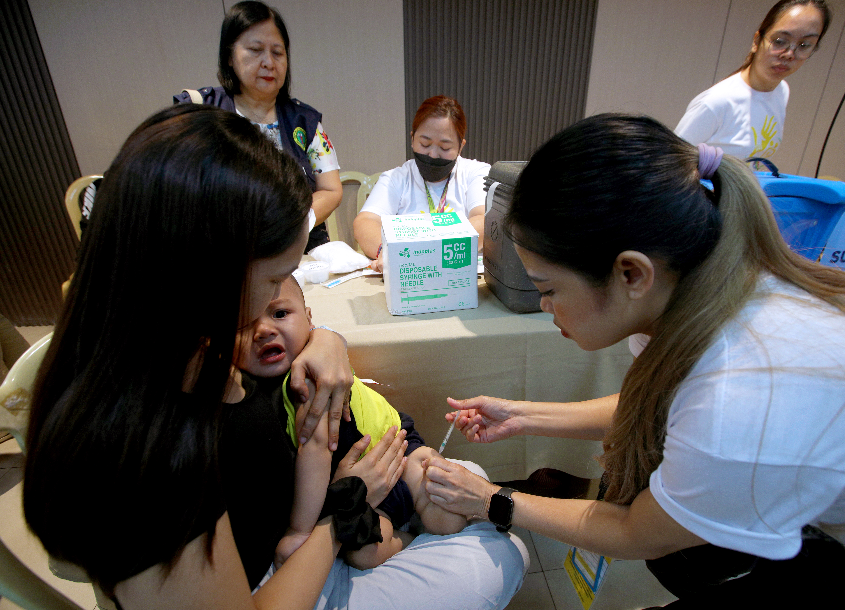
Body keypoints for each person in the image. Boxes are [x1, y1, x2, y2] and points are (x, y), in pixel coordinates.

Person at [23, 104, 527, 610]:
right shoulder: (142, 454)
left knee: (467, 484)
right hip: (281, 576)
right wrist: (340, 513)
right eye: (273, 279)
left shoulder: (178, 343)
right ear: (206, 270)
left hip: (299, 528)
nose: (270, 309)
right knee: (500, 553)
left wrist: (325, 339)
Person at [423, 113, 845, 607]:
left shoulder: (742, 392)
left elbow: (640, 531)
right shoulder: (698, 289)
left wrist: (490, 500)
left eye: (548, 288)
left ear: (632, 275)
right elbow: (659, 404)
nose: (545, 306)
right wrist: (522, 416)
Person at [235, 277, 468, 570]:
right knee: (363, 554)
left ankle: (429, 496)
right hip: (360, 494)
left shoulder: (309, 378)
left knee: (446, 518)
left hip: (396, 450)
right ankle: (408, 540)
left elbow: (316, 449)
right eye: (243, 324)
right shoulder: (254, 383)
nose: (263, 330)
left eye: (280, 313)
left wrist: (299, 531)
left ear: (309, 319)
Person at [174, 1, 342, 253]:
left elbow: (331, 189)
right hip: (224, 255)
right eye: (255, 50)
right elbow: (177, 192)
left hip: (297, 254)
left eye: (278, 53)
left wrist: (290, 226)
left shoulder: (304, 122)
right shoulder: (200, 111)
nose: (269, 62)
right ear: (229, 56)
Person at [675, 0, 831, 159]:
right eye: (779, 41)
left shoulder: (781, 91)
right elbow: (667, 162)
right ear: (757, 41)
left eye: (804, 45)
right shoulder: (716, 103)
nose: (789, 54)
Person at [353, 95, 489, 271]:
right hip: (410, 273)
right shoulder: (396, 178)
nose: (433, 154)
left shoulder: (475, 173)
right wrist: (384, 251)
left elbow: (485, 220)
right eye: (425, 144)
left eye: (445, 148)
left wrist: (427, 252)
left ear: (460, 146)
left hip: (460, 273)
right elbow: (365, 222)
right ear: (412, 139)